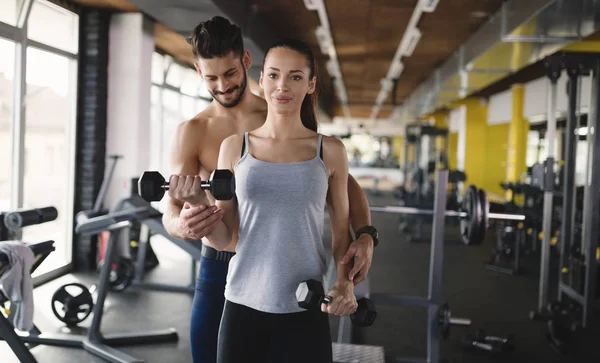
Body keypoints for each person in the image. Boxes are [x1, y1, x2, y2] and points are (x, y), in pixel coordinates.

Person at [162, 16, 378, 363]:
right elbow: (173, 209)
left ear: (247, 64)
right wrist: (182, 225)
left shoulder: (283, 109)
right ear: (199, 73)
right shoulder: (194, 131)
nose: (223, 85)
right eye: (211, 77)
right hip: (222, 265)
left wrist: (365, 235)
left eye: (230, 74)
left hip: (290, 267)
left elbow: (343, 188)